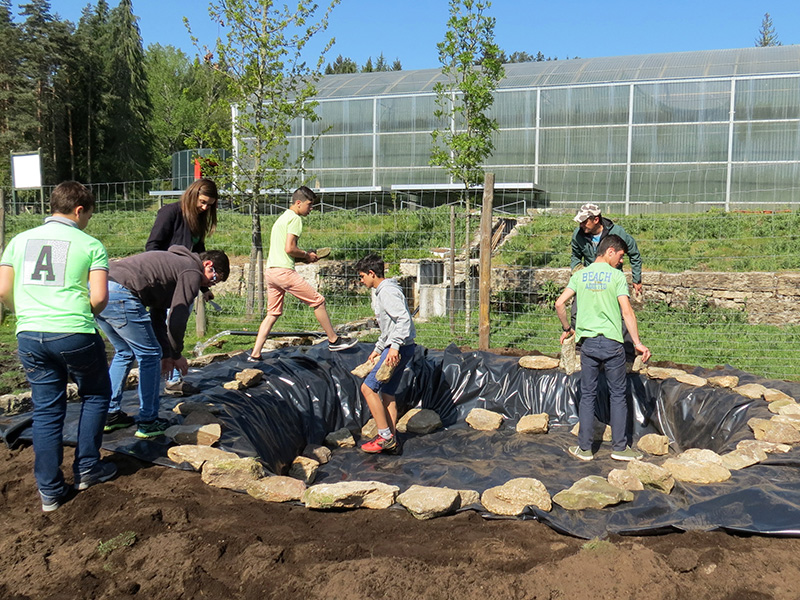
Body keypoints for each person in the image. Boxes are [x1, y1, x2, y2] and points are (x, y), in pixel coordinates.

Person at [0, 181, 117, 512]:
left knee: (47, 410)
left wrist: (24, 313)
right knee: (95, 394)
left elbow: (4, 290)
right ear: (79, 210)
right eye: (88, 215)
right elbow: (99, 298)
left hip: (28, 334)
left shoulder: (18, 241)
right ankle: (88, 468)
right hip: (73, 332)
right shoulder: (91, 245)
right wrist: (81, 316)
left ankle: (50, 491)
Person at [95, 246, 230, 438]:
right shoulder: (191, 270)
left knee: (125, 352)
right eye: (214, 278)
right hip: (122, 293)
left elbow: (158, 317)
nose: (210, 285)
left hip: (100, 288)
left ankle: (109, 414)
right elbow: (177, 317)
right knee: (149, 356)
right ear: (207, 264)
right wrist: (176, 354)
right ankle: (148, 421)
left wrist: (167, 354)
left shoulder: (174, 266)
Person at [555, 234, 651, 462]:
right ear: (610, 251)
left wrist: (568, 328)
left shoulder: (580, 275)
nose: (621, 262)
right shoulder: (616, 277)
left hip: (587, 345)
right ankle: (620, 448)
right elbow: (627, 312)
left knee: (587, 395)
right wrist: (637, 343)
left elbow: (559, 303)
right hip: (612, 344)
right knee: (618, 395)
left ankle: (585, 449)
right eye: (620, 256)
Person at [248, 186, 356, 360]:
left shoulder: (282, 219)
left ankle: (255, 353)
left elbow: (284, 253)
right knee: (318, 301)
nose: (311, 209)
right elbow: (290, 248)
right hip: (284, 273)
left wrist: (305, 258)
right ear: (298, 203)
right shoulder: (295, 219)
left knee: (272, 313)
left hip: (271, 271)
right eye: (310, 205)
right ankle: (334, 340)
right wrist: (306, 254)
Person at [146, 178, 218, 395]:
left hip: (185, 281)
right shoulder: (170, 212)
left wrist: (204, 288)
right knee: (171, 328)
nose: (205, 207)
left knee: (177, 328)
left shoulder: (198, 218)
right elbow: (152, 246)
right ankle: (171, 379)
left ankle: (172, 377)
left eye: (210, 205)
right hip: (168, 283)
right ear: (193, 193)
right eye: (203, 202)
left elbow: (199, 250)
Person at [354, 254, 416, 454]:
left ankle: (385, 437)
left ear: (372, 273)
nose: (361, 280)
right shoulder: (380, 291)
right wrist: (378, 348)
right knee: (388, 393)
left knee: (368, 388)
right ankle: (392, 437)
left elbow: (403, 320)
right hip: (398, 346)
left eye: (362, 276)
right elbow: (388, 327)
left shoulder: (387, 292)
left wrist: (394, 348)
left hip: (397, 348)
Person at [571, 203, 643, 357]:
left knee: (622, 314)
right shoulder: (578, 235)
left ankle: (628, 352)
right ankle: (579, 349)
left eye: (584, 221)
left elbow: (634, 254)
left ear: (596, 219)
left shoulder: (618, 233)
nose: (581, 225)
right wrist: (578, 271)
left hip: (611, 281)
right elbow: (575, 256)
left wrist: (636, 279)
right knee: (576, 312)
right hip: (589, 280)